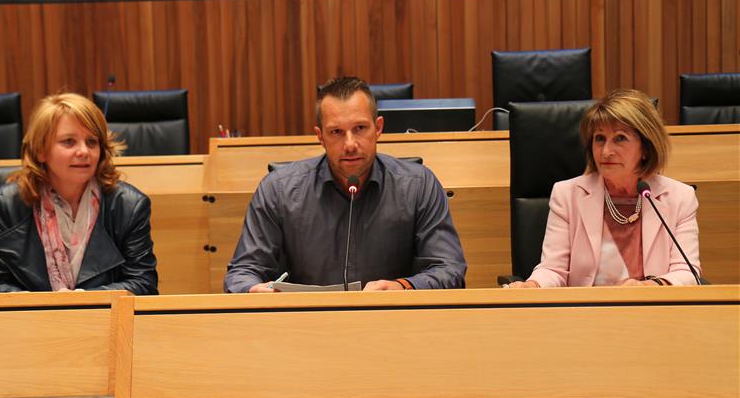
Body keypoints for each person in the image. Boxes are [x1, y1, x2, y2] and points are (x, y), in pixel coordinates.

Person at [225, 76, 467, 293]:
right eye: (336, 132)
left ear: (378, 128)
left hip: (393, 321)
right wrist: (254, 290)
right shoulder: (278, 190)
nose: (350, 144)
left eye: (360, 128)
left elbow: (449, 269)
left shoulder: (418, 185)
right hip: (305, 323)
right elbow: (242, 273)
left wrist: (402, 286)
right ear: (320, 136)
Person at [509, 88, 700, 288]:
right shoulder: (567, 195)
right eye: (600, 138)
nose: (606, 151)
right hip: (588, 305)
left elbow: (687, 272)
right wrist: (533, 285)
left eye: (620, 138)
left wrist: (652, 286)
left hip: (652, 305)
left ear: (645, 148)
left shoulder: (680, 198)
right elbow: (553, 269)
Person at [0, 93, 159, 294]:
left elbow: (143, 283)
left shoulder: (128, 205)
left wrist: (84, 300)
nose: (84, 151)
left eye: (92, 142)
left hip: (102, 314)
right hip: (34, 314)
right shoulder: (11, 203)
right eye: (69, 141)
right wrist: (43, 305)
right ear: (41, 150)